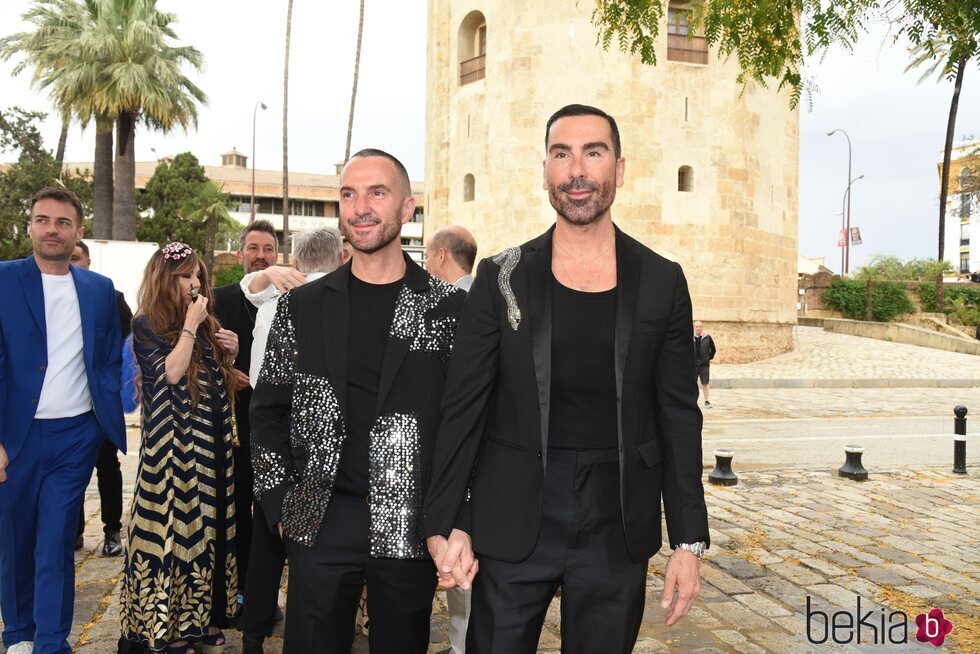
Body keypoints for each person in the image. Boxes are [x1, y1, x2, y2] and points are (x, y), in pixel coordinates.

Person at [424, 105, 710, 654]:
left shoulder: (661, 281)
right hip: (512, 513)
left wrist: (688, 540)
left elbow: (678, 415)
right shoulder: (500, 275)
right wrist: (449, 522)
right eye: (562, 154)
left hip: (617, 519)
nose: (577, 170)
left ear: (619, 170)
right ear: (547, 171)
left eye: (593, 153)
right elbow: (463, 408)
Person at [250, 149, 466, 654]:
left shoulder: (450, 309)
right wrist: (279, 503)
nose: (361, 206)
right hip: (319, 519)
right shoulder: (301, 308)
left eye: (377, 192)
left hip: (409, 523)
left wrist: (454, 517)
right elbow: (267, 413)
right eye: (349, 194)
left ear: (408, 208)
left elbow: (465, 422)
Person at [0, 187, 125, 654]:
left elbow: (109, 357)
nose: (52, 228)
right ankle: (18, 635)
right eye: (43, 219)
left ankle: (51, 642)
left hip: (75, 435)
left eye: (62, 221)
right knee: (14, 542)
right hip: (15, 437)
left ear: (77, 231)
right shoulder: (4, 279)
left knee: (55, 542)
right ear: (30, 225)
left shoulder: (98, 289)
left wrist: (99, 419)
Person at [119, 243, 241, 653]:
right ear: (164, 280)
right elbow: (170, 373)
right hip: (170, 451)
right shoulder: (146, 323)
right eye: (186, 277)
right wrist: (191, 325)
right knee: (170, 534)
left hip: (208, 444)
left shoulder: (204, 324)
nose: (195, 284)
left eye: (198, 277)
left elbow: (217, 380)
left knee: (204, 534)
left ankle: (195, 621)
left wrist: (231, 351)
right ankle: (162, 630)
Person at [235, 227, 343, 654]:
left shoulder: (272, 305)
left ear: (296, 260)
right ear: (339, 256)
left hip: (274, 435)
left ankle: (253, 633)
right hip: (325, 442)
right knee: (318, 549)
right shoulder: (341, 301)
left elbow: (262, 378)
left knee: (268, 542)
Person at [212, 219, 277, 611]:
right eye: (253, 248)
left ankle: (262, 596)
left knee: (270, 517)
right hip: (231, 426)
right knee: (232, 510)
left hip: (274, 429)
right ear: (240, 256)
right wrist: (224, 374)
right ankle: (229, 593)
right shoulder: (218, 300)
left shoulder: (290, 299)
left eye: (267, 249)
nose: (260, 256)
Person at [423, 225, 478, 654]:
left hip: (460, 454)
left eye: (427, 256)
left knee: (462, 570)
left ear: (442, 256)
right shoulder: (491, 295)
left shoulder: (460, 306)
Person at [70, 240, 133, 557]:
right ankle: (75, 532)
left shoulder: (111, 297)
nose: (73, 263)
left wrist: (113, 387)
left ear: (88, 262)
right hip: (65, 404)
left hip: (100, 403)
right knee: (71, 471)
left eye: (77, 258)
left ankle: (112, 532)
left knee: (107, 465)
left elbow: (128, 346)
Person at [424, 226, 477, 292]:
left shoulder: (453, 299)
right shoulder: (482, 296)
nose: (425, 266)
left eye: (426, 257)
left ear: (441, 256)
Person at [693, 321, 716, 408]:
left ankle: (706, 401)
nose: (698, 328)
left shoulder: (707, 337)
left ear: (702, 327)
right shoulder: (690, 338)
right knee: (692, 383)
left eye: (700, 327)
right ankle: (693, 401)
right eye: (696, 327)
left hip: (704, 365)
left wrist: (708, 357)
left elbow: (713, 349)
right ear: (694, 328)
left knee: (705, 383)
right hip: (693, 365)